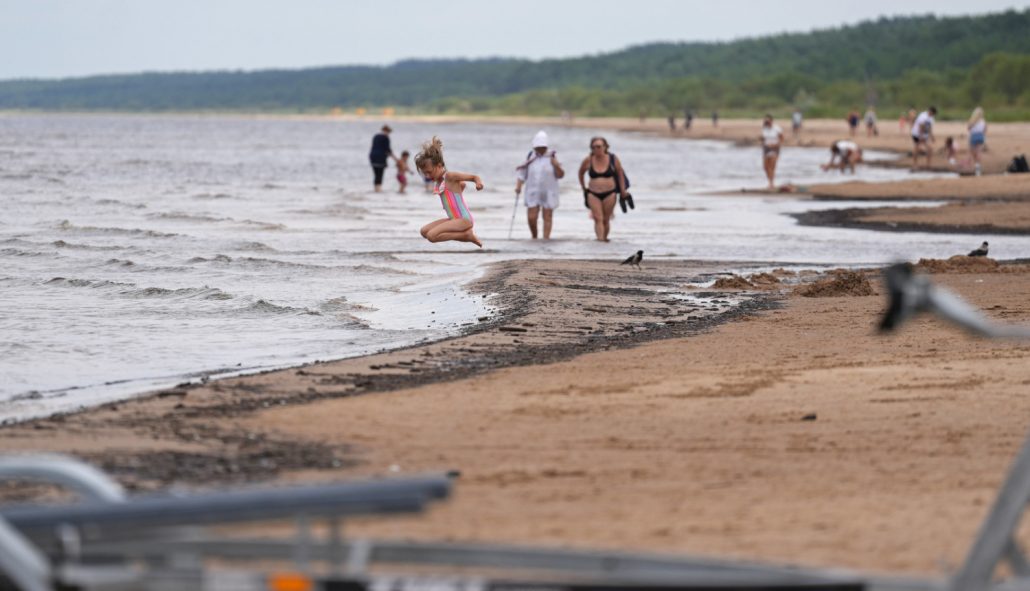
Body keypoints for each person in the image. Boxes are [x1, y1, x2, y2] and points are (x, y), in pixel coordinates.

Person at [415, 136, 483, 248]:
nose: (427, 176)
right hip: (453, 219)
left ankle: (467, 235)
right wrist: (460, 189)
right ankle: (466, 235)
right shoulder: (439, 181)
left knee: (432, 236)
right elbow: (461, 185)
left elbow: (474, 177)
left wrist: (478, 183)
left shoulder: (450, 176)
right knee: (424, 231)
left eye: (429, 172)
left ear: (439, 166)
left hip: (463, 220)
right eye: (424, 174)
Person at [515, 131, 564, 240]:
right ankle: (534, 237)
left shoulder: (552, 156)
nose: (540, 150)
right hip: (533, 191)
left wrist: (556, 165)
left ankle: (546, 239)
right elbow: (522, 174)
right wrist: (518, 186)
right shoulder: (530, 156)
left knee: (547, 216)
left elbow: (560, 175)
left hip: (549, 191)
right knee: (532, 217)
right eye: (537, 147)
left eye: (542, 147)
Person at [578, 136, 627, 242]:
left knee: (605, 219)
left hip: (610, 193)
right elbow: (580, 172)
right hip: (593, 194)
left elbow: (620, 174)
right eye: (594, 147)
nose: (597, 149)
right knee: (597, 218)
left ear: (605, 147)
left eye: (599, 146)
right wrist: (583, 187)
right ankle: (600, 241)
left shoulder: (613, 159)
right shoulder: (588, 160)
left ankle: (604, 239)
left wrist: (623, 190)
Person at [368, 125, 397, 192]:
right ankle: (379, 189)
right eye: (389, 132)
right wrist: (396, 159)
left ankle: (376, 189)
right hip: (380, 157)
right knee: (380, 174)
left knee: (376, 174)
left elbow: (373, 147)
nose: (388, 134)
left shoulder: (375, 136)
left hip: (373, 156)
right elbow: (388, 150)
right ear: (387, 131)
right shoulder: (386, 138)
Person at [760, 114, 783, 189]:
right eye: (765, 121)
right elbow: (763, 138)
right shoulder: (764, 128)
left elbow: (781, 138)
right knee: (765, 167)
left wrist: (776, 145)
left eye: (768, 121)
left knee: (772, 166)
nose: (767, 122)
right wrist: (762, 142)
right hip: (766, 148)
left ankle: (771, 183)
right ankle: (770, 181)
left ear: (771, 121)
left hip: (775, 147)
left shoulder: (777, 128)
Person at [968, 106, 987, 176]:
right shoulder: (983, 121)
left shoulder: (972, 120)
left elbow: (968, 128)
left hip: (974, 136)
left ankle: (977, 165)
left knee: (974, 152)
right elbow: (985, 130)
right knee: (978, 152)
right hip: (980, 136)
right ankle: (977, 165)